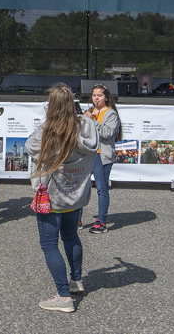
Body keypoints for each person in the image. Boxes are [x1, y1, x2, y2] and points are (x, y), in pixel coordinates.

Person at [25, 83, 99, 313]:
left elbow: (30, 147)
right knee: (70, 235)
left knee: (49, 244)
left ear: (52, 107)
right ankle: (76, 281)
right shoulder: (87, 125)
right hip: (76, 194)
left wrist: (48, 121)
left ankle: (64, 296)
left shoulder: (49, 130)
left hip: (53, 197)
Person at [79, 83, 122, 234]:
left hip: (101, 155)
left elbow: (107, 133)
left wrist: (93, 121)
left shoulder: (111, 114)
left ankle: (102, 221)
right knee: (81, 186)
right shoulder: (90, 110)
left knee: (101, 188)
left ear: (106, 97)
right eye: (94, 95)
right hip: (88, 154)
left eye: (99, 95)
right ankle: (77, 219)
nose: (96, 98)